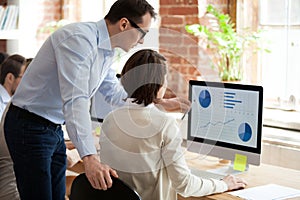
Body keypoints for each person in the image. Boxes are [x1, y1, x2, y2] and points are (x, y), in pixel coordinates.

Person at [3, 0, 190, 199]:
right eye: (142, 33)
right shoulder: (79, 40)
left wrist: (156, 102)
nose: (142, 41)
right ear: (124, 24)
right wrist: (90, 158)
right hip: (29, 125)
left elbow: (114, 93)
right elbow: (76, 101)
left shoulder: (105, 50)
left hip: (53, 127)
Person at [99, 49, 248, 200]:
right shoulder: (164, 124)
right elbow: (184, 185)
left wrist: (157, 104)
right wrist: (224, 184)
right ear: (159, 85)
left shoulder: (110, 119)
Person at [0, 54, 27, 200]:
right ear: (10, 78)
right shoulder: (9, 108)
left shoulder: (13, 103)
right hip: (9, 184)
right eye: (24, 78)